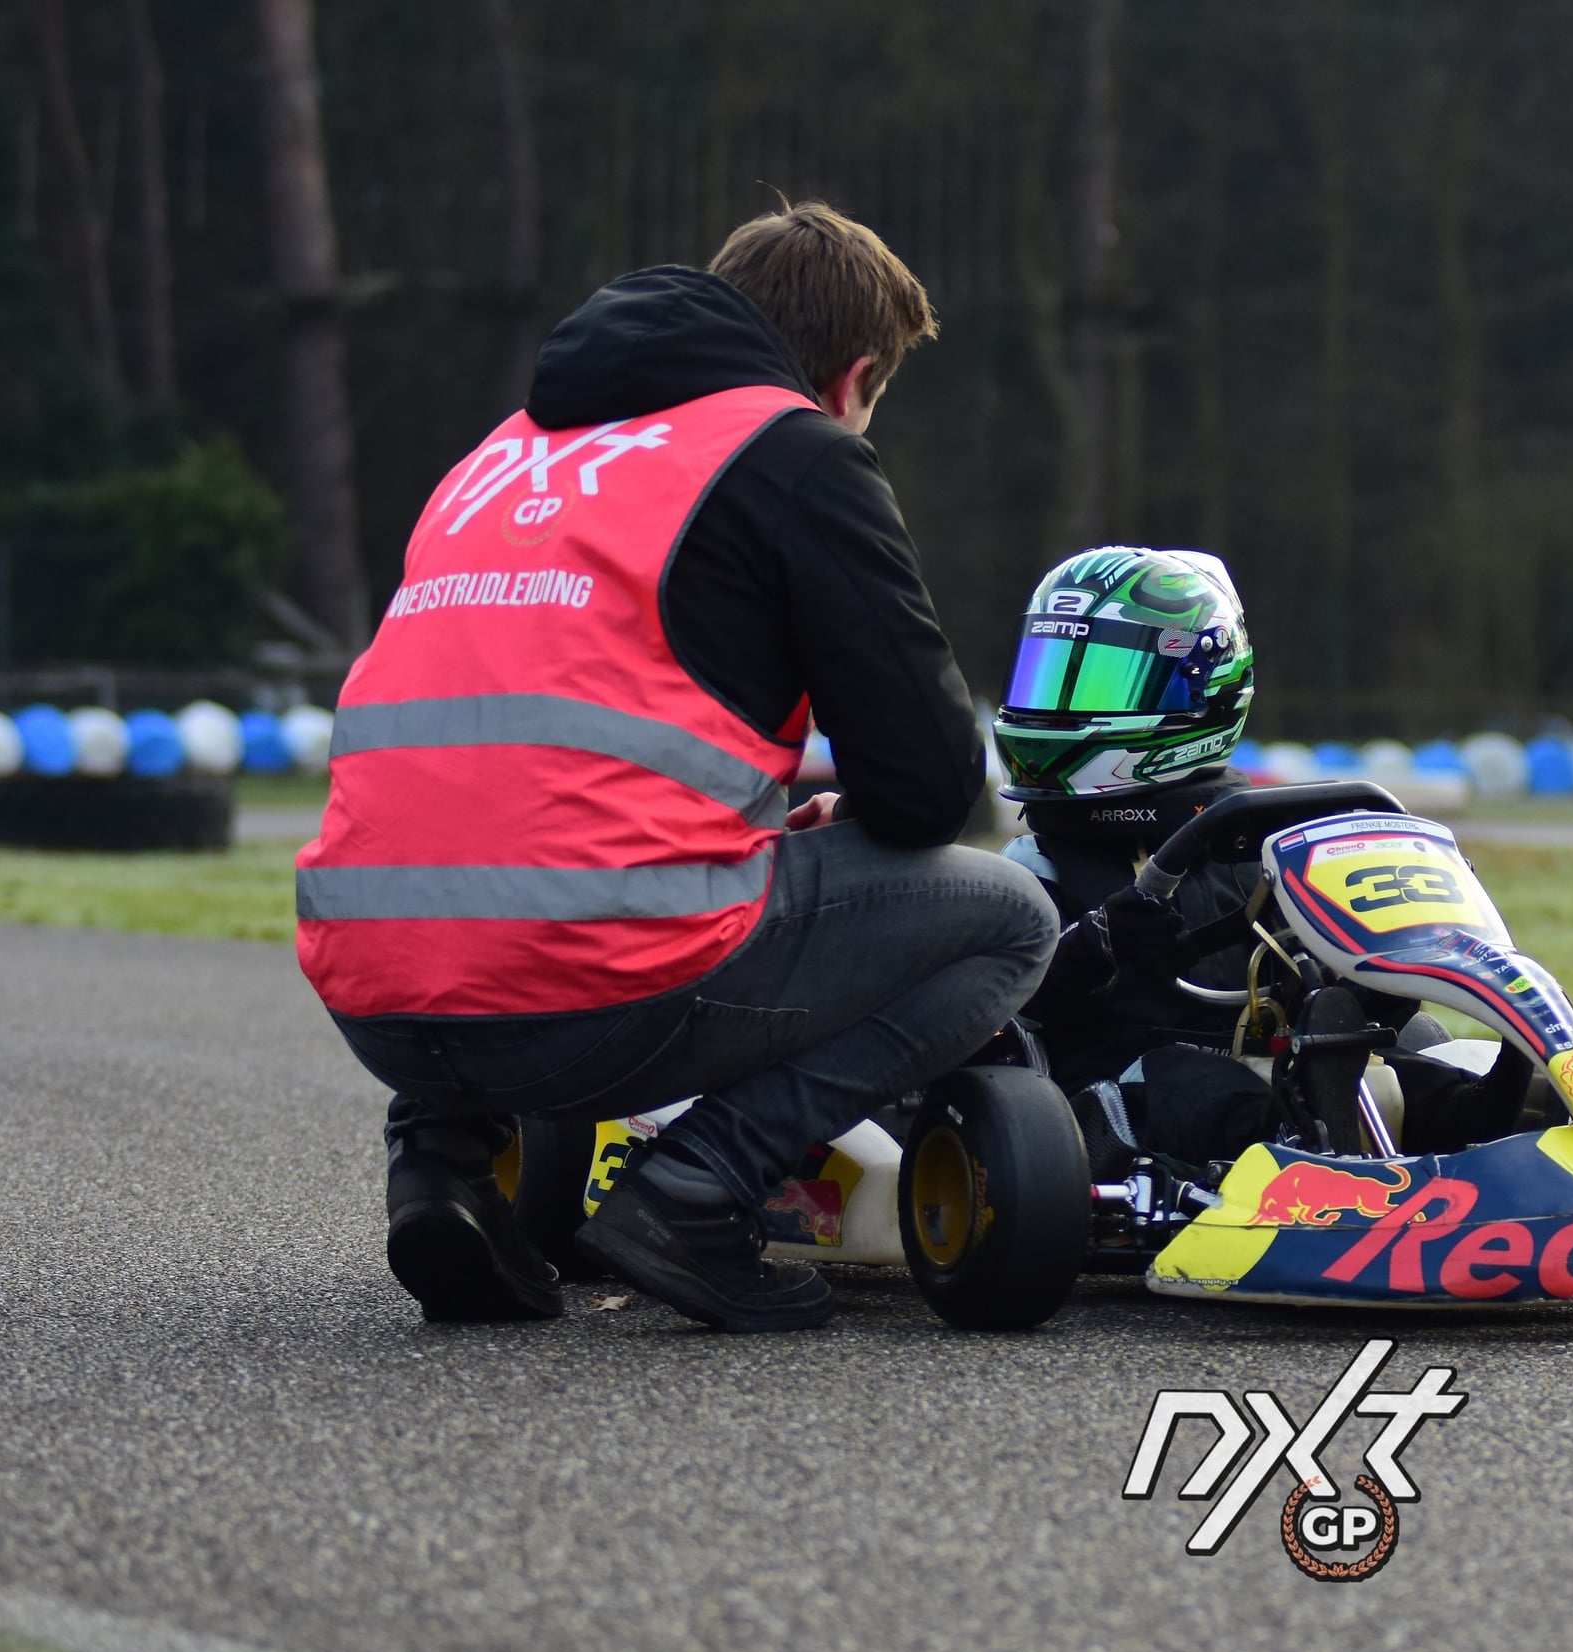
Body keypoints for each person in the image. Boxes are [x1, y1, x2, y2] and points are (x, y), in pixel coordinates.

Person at [297, 201, 1055, 1334]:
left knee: (495, 852)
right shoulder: (795, 452)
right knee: (1008, 919)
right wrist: (825, 814)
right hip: (592, 1000)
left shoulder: (498, 455)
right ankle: (697, 1187)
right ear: (853, 379)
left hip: (373, 989)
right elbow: (930, 788)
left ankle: (442, 1173)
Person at [990, 547, 1532, 1173]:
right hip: (1106, 1090)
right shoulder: (1033, 863)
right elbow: (996, 1019)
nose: (1056, 707)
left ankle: (1475, 1119)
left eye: (1098, 682)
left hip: (1286, 1058)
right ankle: (1302, 1148)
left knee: (1408, 1057)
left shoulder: (1269, 846)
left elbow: (1335, 989)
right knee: (1202, 1087)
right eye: (1047, 677)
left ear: (1202, 694)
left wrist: (1386, 961)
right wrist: (1096, 944)